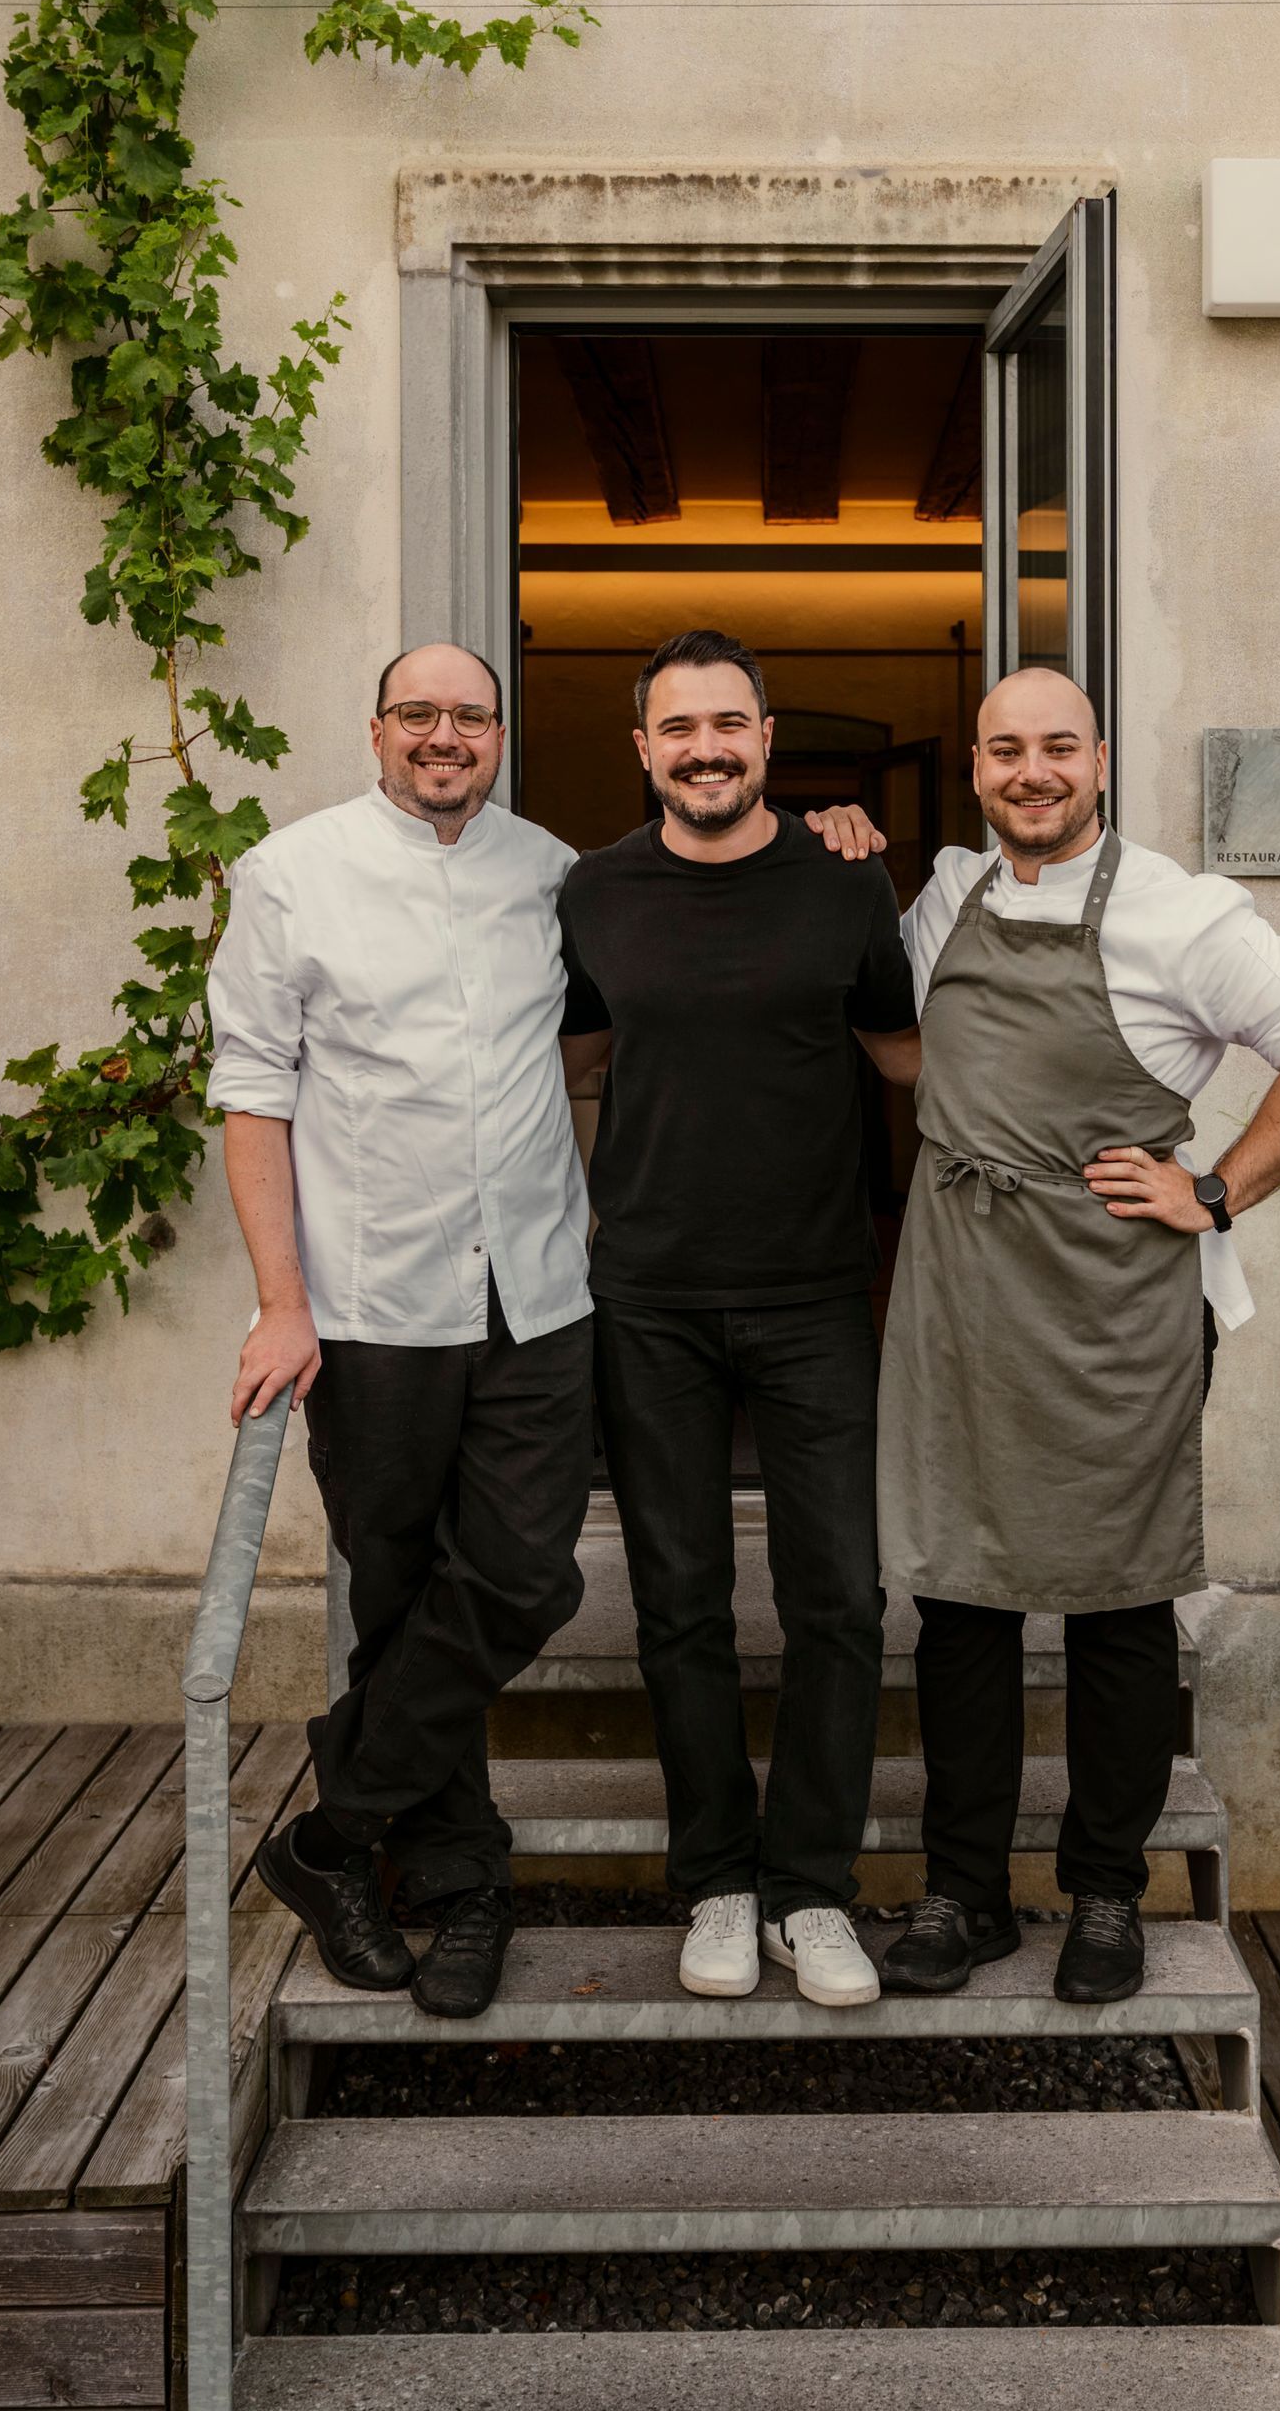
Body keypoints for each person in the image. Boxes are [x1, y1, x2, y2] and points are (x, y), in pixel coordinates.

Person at [877, 666, 1280, 2004]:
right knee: (960, 1599)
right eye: (1004, 750)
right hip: (963, 1292)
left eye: (1058, 747)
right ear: (976, 770)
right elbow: (914, 1052)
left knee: (1120, 1599)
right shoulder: (945, 897)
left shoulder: (1184, 912)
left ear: (1101, 761)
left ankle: (1106, 1890)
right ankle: (963, 1895)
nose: (1031, 772)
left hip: (1116, 1301)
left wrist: (1214, 1189)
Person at [208, 643, 595, 2020]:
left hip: (537, 1293)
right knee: (398, 1596)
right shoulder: (290, 874)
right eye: (418, 713)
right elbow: (253, 1090)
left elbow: (586, 1045)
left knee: (522, 1574)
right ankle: (460, 1882)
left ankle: (327, 1839)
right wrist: (282, 1302)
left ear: (500, 734)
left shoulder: (552, 875)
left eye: (469, 716)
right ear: (376, 728)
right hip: (373, 1308)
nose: (445, 735)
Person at [557, 630, 921, 2010]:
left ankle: (810, 1889)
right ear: (643, 749)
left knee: (840, 1599)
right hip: (648, 1298)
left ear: (767, 739)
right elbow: (576, 1064)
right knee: (679, 1600)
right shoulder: (596, 892)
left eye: (728, 725)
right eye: (678, 728)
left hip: (817, 1292)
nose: (704, 748)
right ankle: (716, 1877)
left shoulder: (846, 883)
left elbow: (907, 1058)